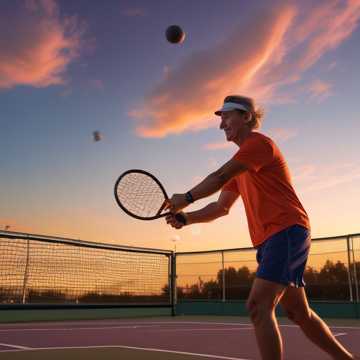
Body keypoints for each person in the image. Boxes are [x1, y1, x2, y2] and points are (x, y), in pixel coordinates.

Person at [164, 95, 356, 360]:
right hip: (272, 239)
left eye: (227, 116)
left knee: (258, 305)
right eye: (220, 119)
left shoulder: (259, 144)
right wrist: (187, 218)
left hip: (286, 230)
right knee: (299, 313)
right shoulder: (242, 163)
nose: (222, 125)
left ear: (246, 116)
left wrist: (185, 198)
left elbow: (218, 177)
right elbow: (220, 207)